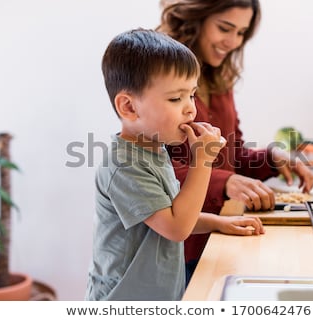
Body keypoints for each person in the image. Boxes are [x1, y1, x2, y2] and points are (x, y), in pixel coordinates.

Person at [85, 28, 264, 301]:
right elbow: (176, 227)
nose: (190, 108)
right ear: (129, 107)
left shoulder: (154, 150)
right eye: (175, 98)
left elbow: (166, 214)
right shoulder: (124, 163)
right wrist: (202, 160)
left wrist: (218, 223)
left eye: (191, 95)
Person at [157, 0, 313, 282]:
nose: (232, 41)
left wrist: (272, 158)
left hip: (217, 238)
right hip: (174, 249)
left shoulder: (219, 78)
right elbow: (152, 167)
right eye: (224, 28)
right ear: (196, 18)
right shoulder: (160, 75)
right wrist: (223, 181)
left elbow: (232, 155)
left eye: (241, 32)